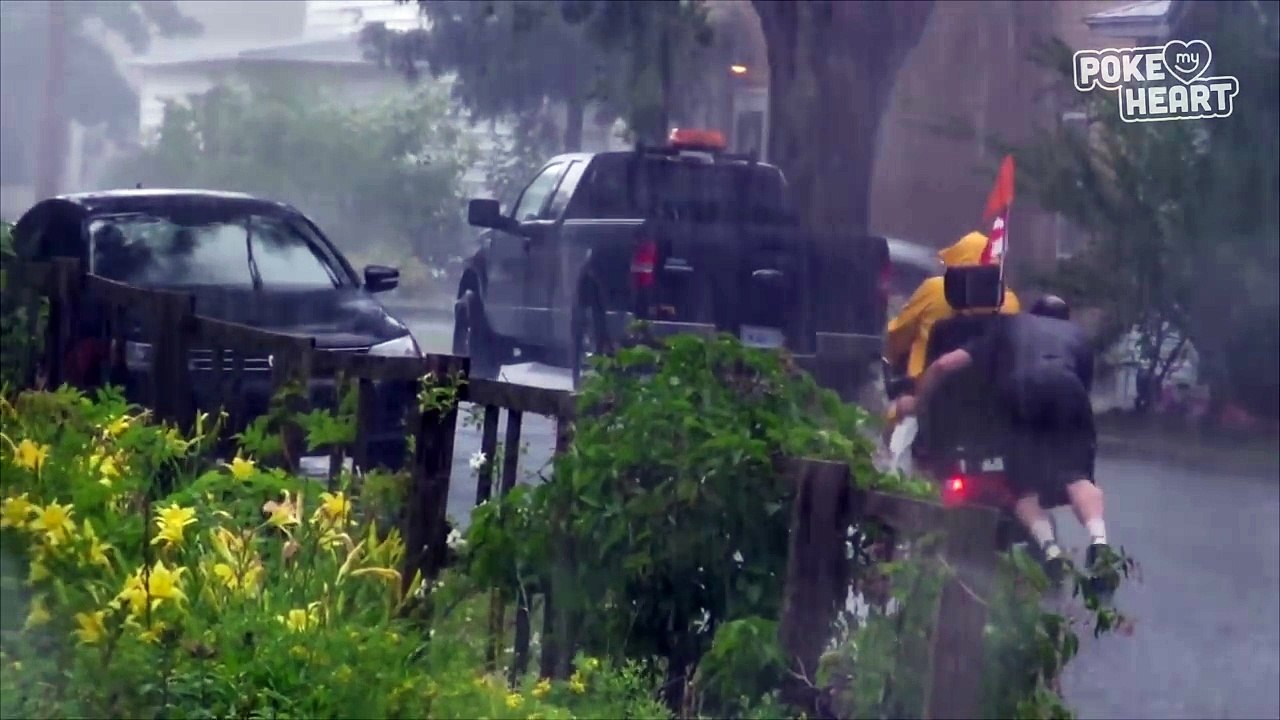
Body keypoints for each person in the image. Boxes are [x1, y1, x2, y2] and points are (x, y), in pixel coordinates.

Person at [904, 295, 1117, 592]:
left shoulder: (1009, 326)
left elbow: (944, 365)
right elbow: (1082, 388)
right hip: (1069, 390)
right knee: (1076, 476)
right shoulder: (1078, 337)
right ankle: (1099, 542)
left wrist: (919, 403)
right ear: (1065, 319)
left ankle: (1050, 549)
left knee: (1021, 486)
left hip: (1020, 390)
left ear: (1031, 314)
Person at [883, 231, 1021, 432]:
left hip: (927, 398)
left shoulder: (934, 289)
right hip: (992, 410)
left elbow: (897, 337)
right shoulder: (1010, 302)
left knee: (889, 429)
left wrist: (893, 360)